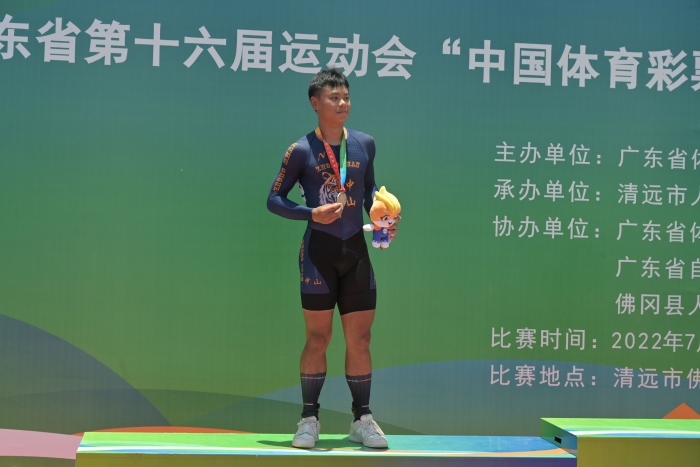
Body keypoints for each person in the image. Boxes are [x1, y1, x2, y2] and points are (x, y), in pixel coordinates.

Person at [267, 68, 397, 449]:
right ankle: (309, 419)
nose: (342, 103)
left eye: (346, 97)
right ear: (315, 103)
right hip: (318, 254)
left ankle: (362, 419)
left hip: (355, 253)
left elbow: (370, 191)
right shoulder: (301, 150)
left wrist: (384, 216)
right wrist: (311, 213)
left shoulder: (364, 144)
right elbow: (274, 199)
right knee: (318, 337)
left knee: (361, 338)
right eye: (333, 97)